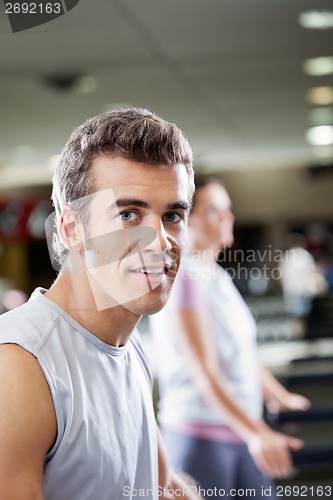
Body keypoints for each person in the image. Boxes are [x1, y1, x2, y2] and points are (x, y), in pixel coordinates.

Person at [0, 108, 202, 500]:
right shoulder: (20, 367)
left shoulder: (128, 344)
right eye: (129, 214)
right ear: (72, 229)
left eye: (173, 215)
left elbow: (165, 488)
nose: (161, 243)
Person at [150, 177, 312, 499]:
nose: (228, 218)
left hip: (237, 430)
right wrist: (256, 433)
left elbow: (240, 355)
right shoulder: (185, 278)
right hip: (201, 438)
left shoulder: (217, 276)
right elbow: (204, 369)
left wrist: (278, 396)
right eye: (214, 210)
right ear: (186, 220)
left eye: (228, 209)